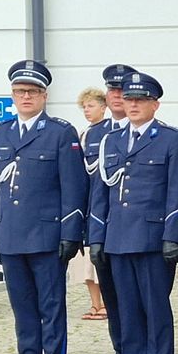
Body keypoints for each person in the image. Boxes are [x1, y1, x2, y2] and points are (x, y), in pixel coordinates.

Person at [0, 60, 87, 354]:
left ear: (44, 95)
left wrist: (71, 233)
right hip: (11, 234)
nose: (25, 96)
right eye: (19, 91)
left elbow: (73, 186)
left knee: (50, 307)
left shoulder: (59, 132)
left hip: (47, 234)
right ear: (12, 95)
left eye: (32, 91)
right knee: (23, 307)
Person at [88, 72, 178, 354]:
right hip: (119, 237)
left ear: (154, 104)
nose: (133, 105)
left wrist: (172, 236)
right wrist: (97, 237)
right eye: (129, 99)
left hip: (152, 237)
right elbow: (100, 193)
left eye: (141, 100)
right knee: (127, 312)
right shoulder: (112, 141)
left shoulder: (171, 139)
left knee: (156, 310)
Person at [85, 64, 136, 354]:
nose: (117, 95)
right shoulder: (95, 134)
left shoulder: (144, 129)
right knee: (112, 296)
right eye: (112, 90)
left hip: (133, 229)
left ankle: (142, 353)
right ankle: (121, 351)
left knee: (137, 298)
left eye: (122, 90)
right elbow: (85, 185)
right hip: (101, 227)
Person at [72, 87, 108, 321]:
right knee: (84, 262)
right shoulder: (84, 133)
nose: (87, 110)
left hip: (100, 200)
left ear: (103, 107)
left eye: (91, 105)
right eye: (84, 107)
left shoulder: (108, 131)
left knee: (98, 260)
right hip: (85, 203)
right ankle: (94, 302)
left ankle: (105, 303)